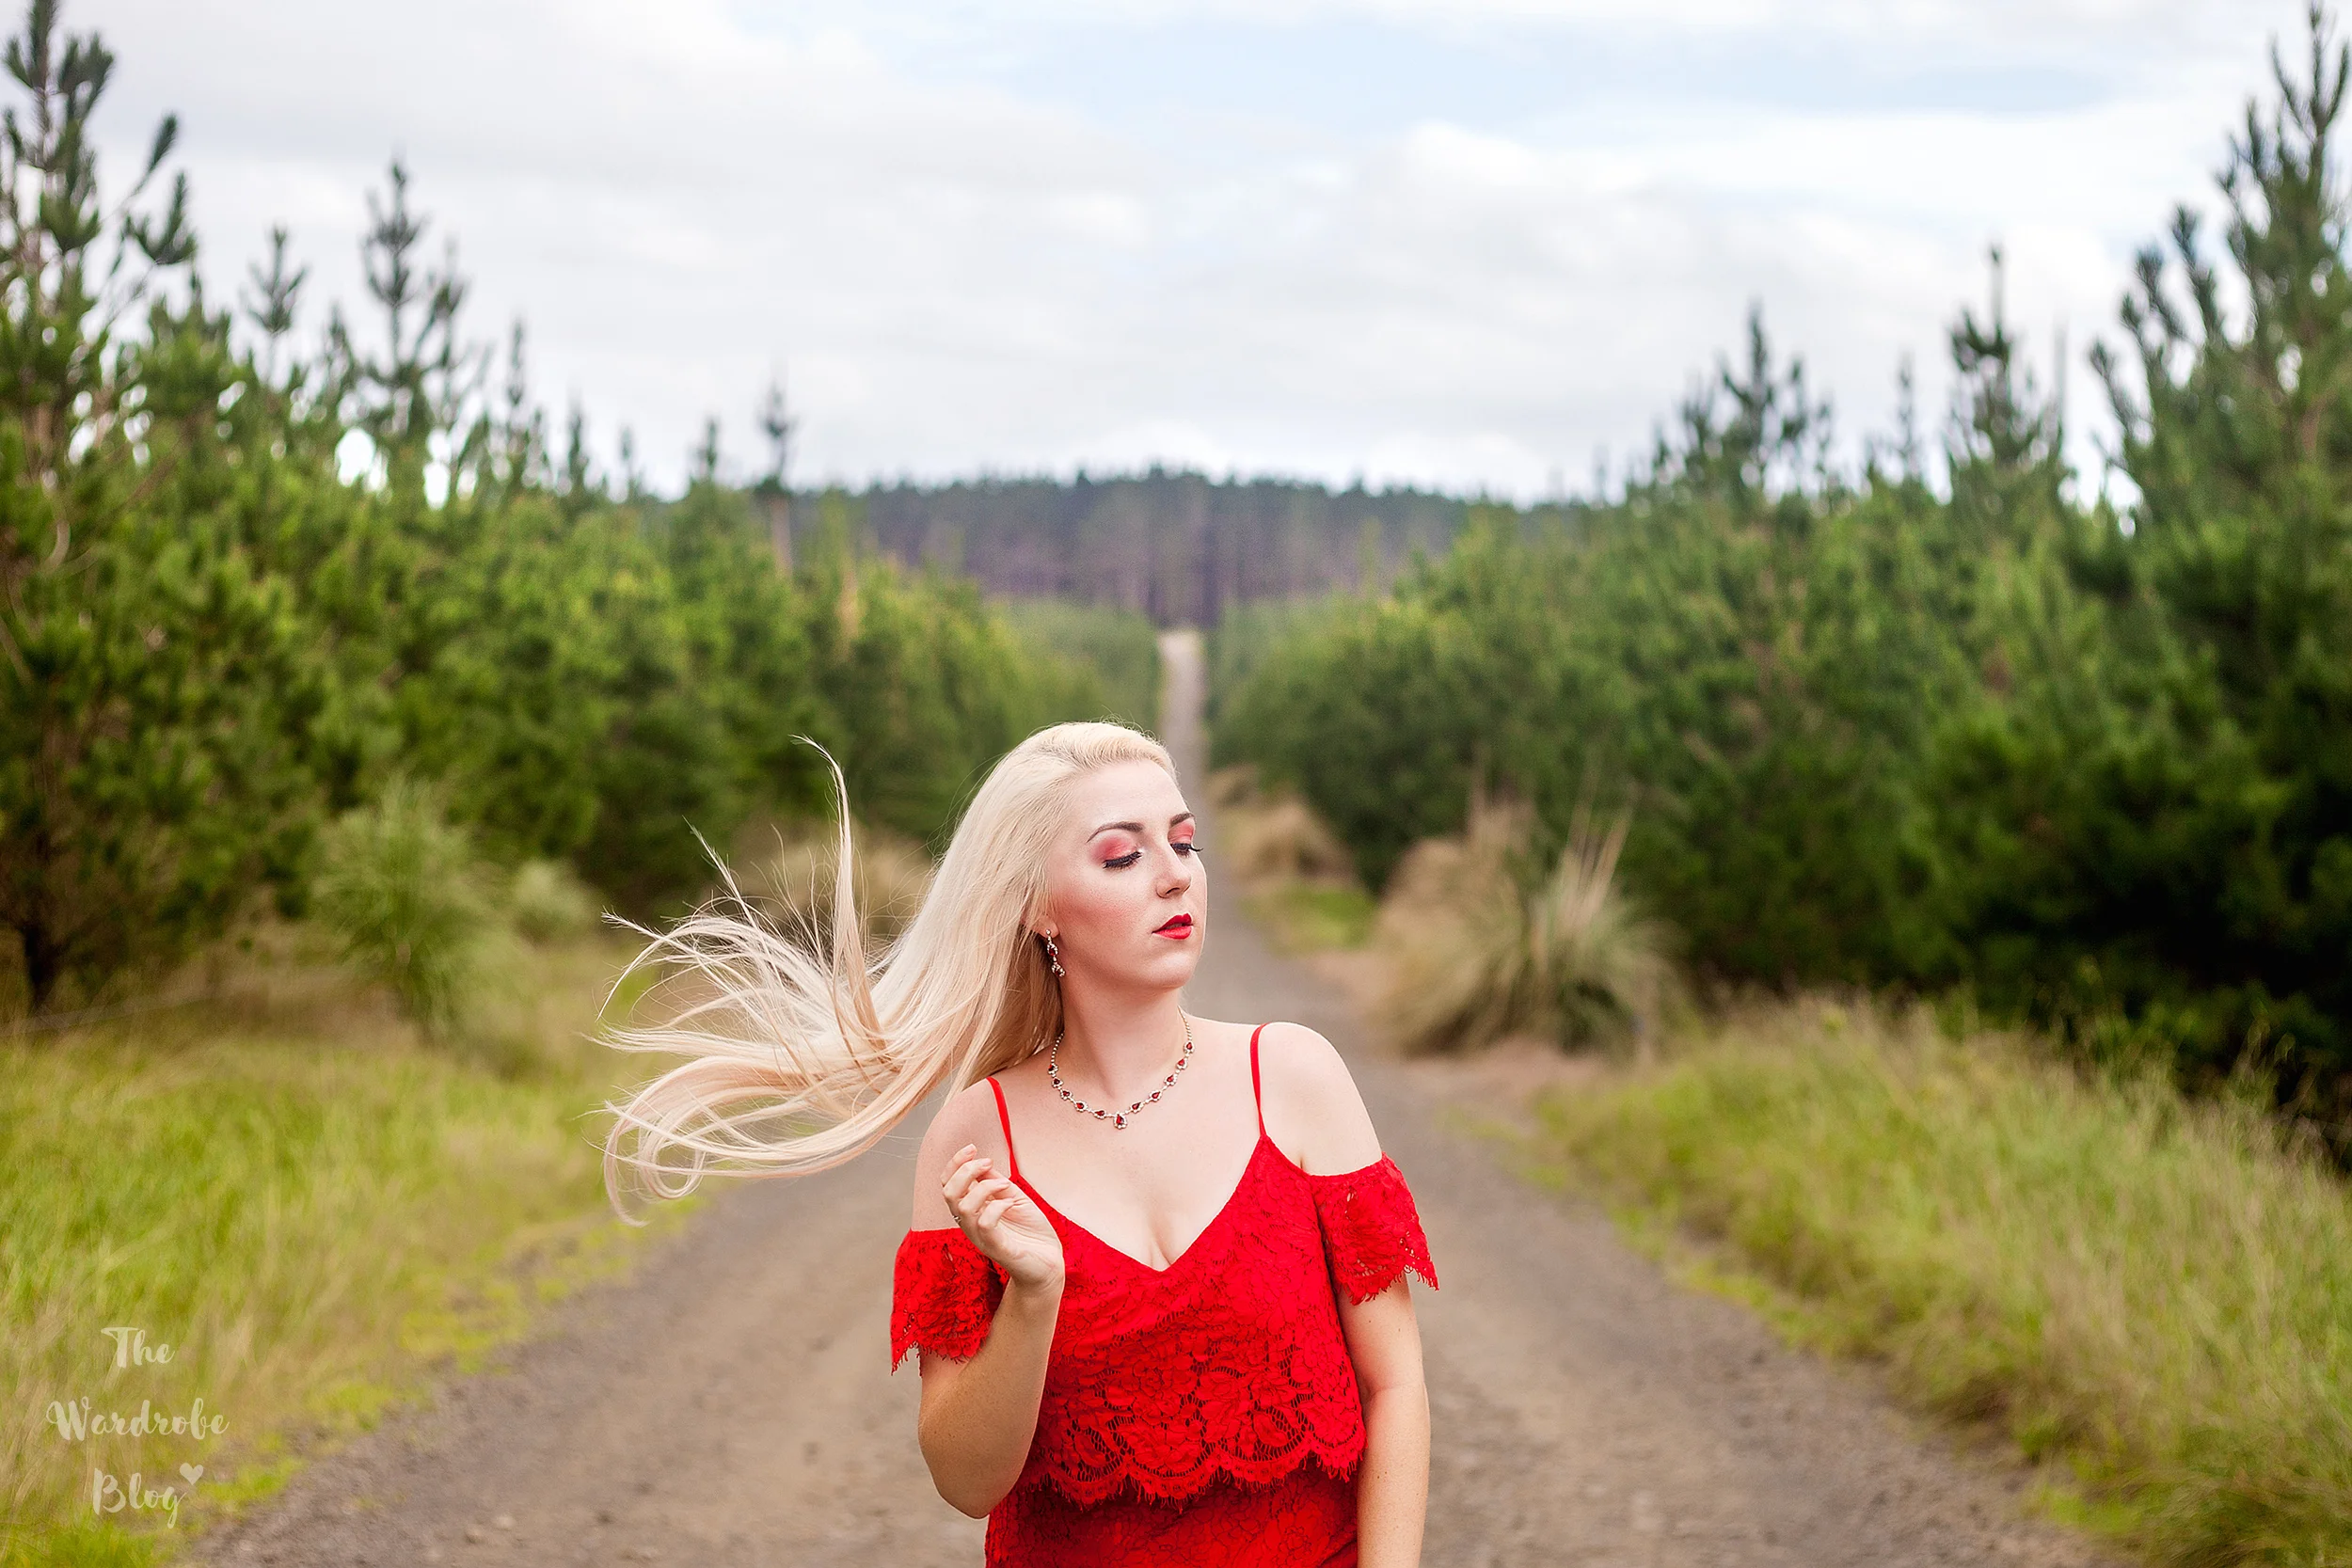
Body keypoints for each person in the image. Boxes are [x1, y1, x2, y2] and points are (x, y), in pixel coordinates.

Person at [600, 721, 1438, 1567]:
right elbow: (967, 1481)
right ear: (1039, 907)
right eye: (1123, 855)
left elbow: (1395, 1385)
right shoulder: (977, 1140)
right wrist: (1034, 1297)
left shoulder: (1293, 1078)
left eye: (1184, 842)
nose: (1175, 873)